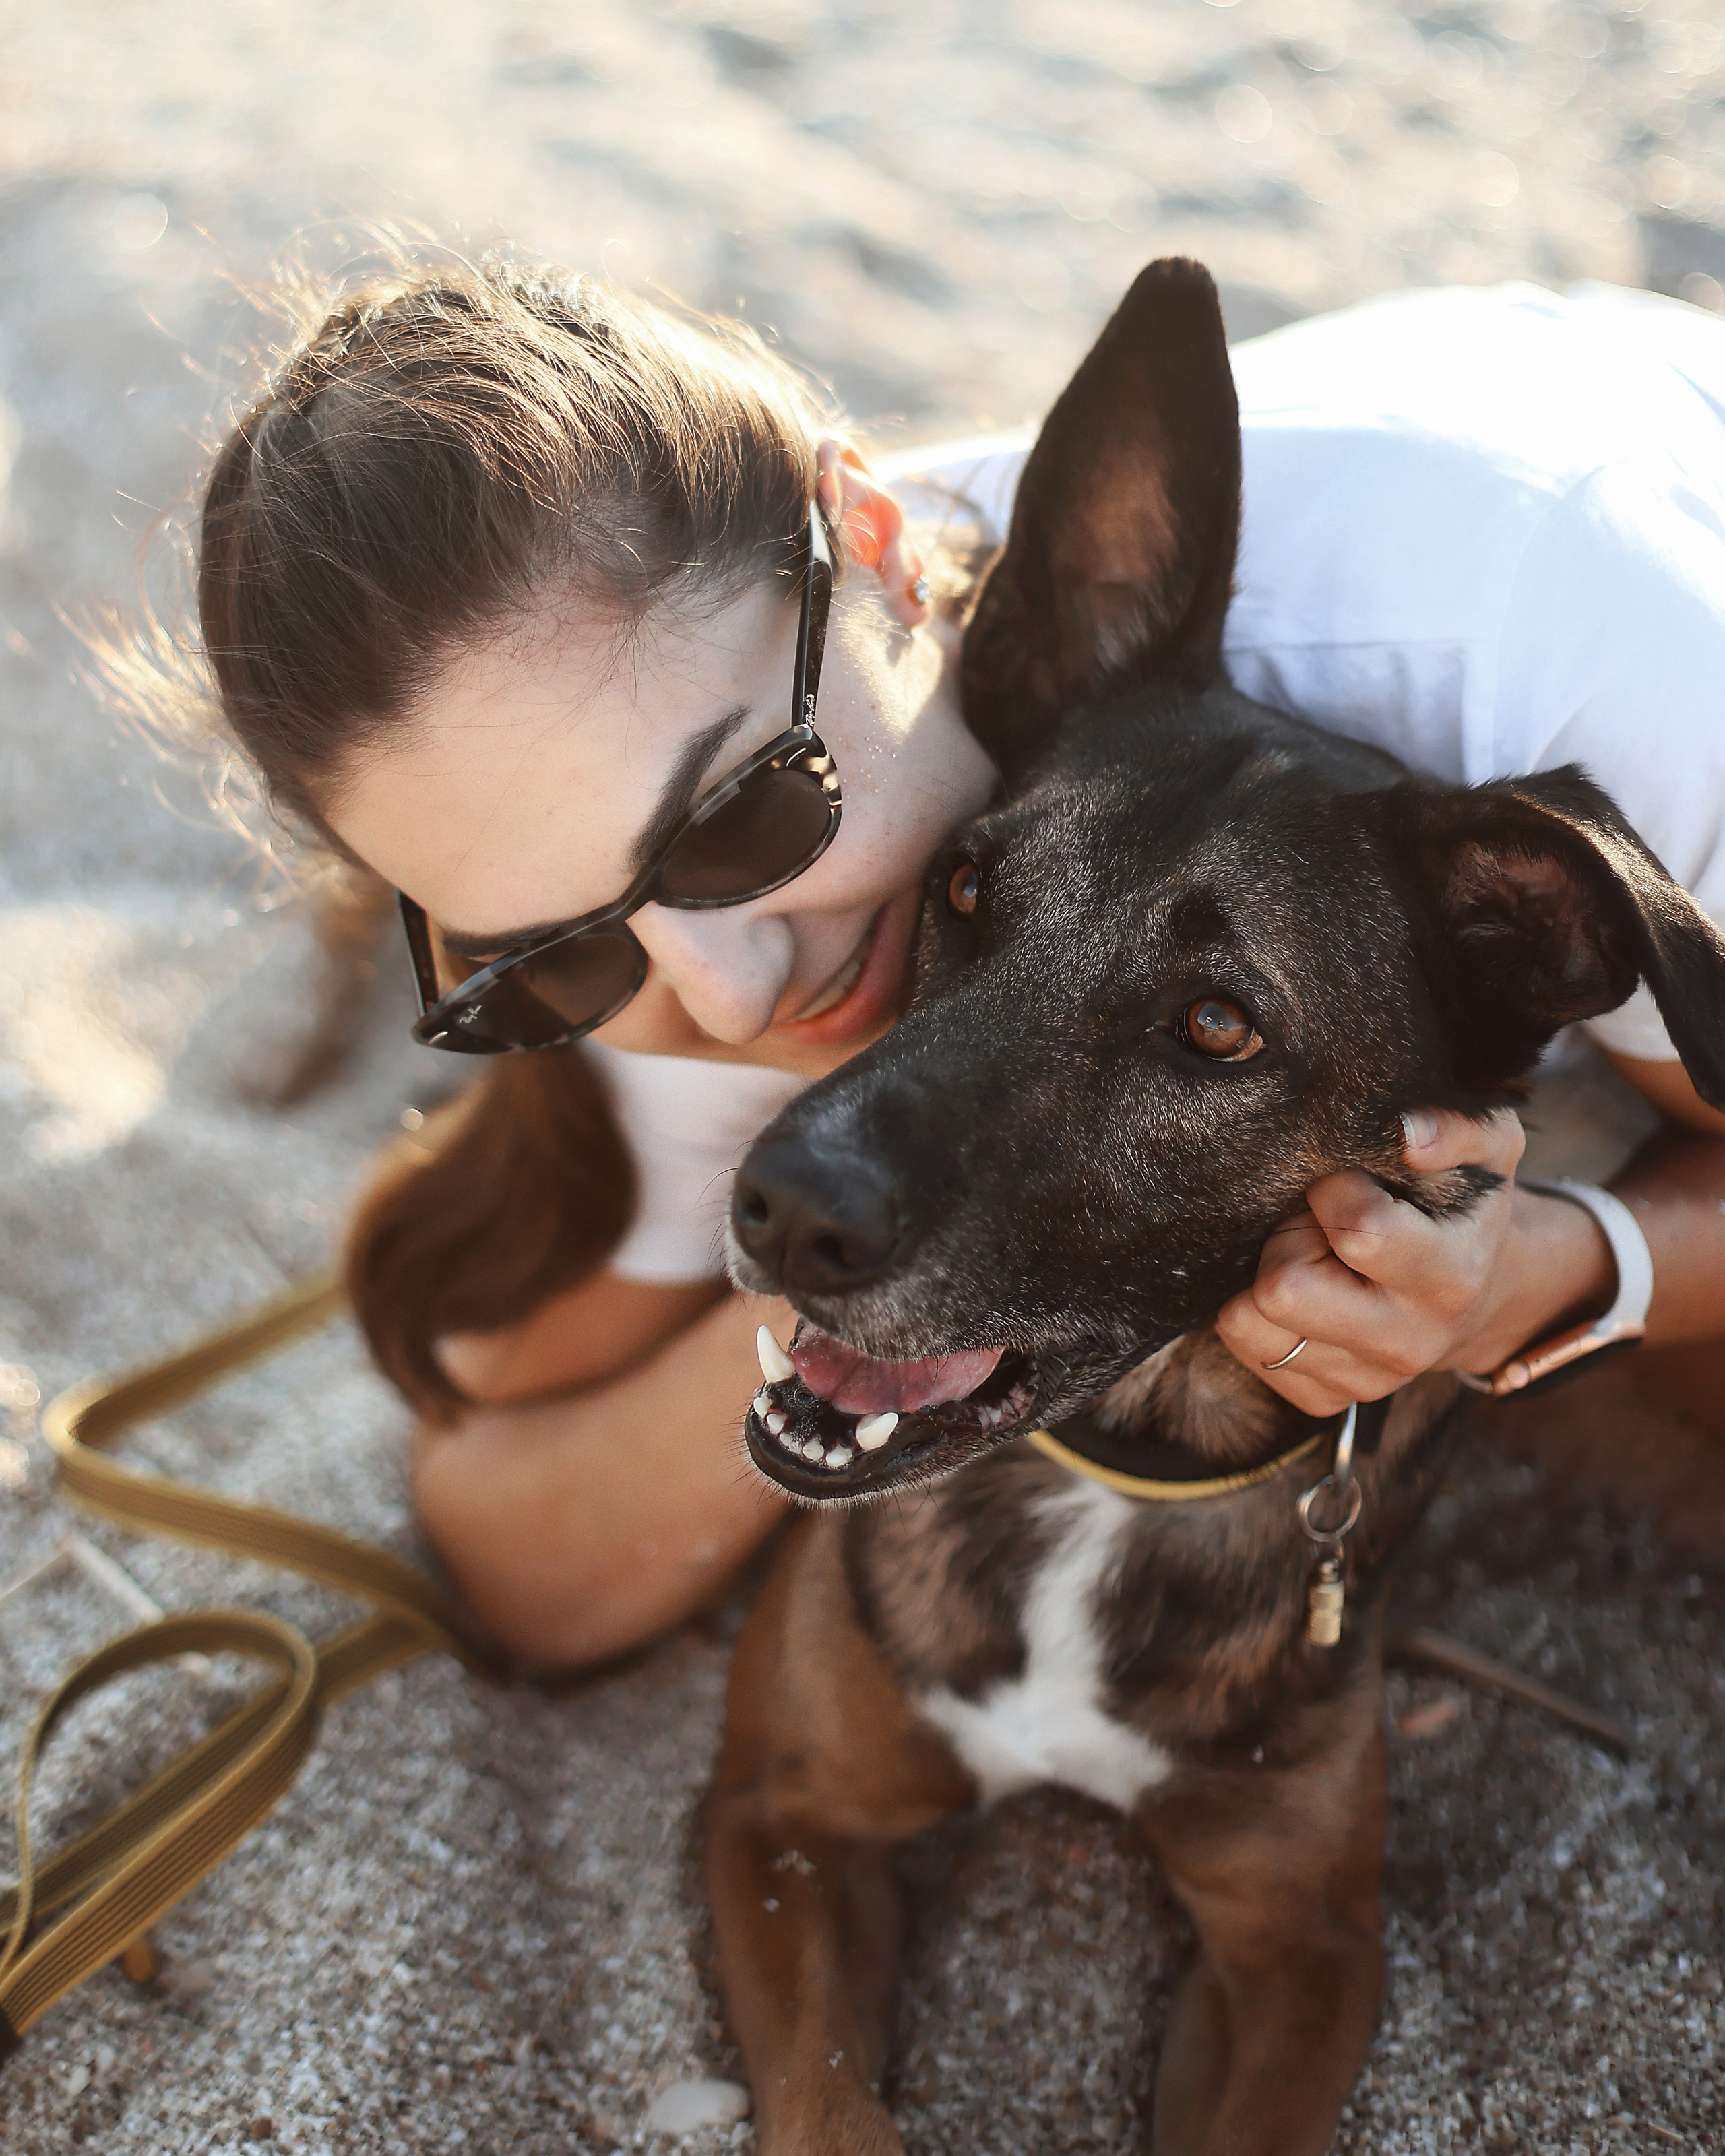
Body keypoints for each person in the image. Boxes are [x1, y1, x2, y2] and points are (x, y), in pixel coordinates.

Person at [184, 257, 1725, 1670]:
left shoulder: (1568, 686)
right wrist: (851, 1268)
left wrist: (1547, 1267)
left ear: (876, 548)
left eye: (738, 813)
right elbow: (519, 1554)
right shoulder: (660, 860)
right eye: (539, 949)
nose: (728, 1001)